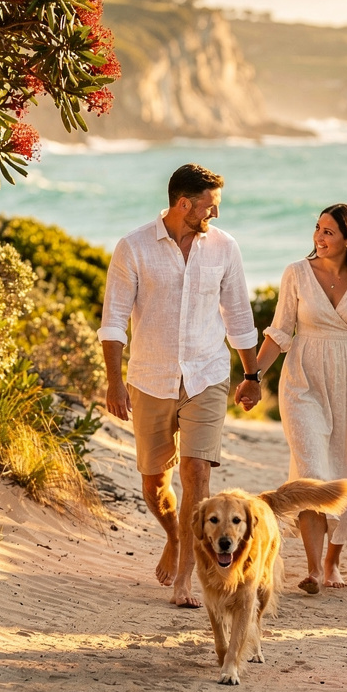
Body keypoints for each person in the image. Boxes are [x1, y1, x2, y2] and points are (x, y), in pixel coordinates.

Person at [99, 164, 263, 608]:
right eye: (210, 205)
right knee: (155, 484)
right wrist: (114, 382)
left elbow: (238, 316)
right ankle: (175, 535)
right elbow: (113, 322)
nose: (215, 213)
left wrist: (251, 376)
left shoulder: (225, 247)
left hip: (207, 375)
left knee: (197, 473)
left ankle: (188, 582)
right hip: (150, 378)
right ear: (183, 204)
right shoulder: (132, 248)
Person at [249, 204, 347, 594]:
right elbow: (280, 332)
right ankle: (314, 569)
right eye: (317, 229)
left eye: (329, 232)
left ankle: (333, 560)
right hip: (302, 380)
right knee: (312, 473)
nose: (319, 237)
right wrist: (254, 376)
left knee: (345, 471)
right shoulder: (296, 274)